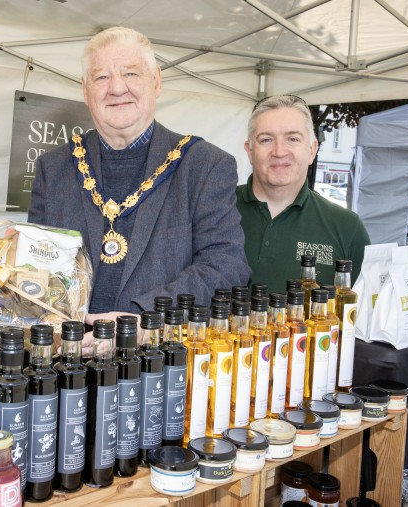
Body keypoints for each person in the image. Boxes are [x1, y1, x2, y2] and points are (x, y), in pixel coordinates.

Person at [27, 26, 250, 353]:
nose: (117, 88)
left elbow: (226, 266)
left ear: (157, 81)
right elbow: (34, 267)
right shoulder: (54, 168)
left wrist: (141, 320)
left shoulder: (203, 165)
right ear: (85, 89)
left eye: (131, 73)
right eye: (101, 77)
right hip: (65, 364)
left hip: (156, 367)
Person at [236, 94, 371, 292]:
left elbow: (364, 313)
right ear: (250, 151)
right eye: (266, 139)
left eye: (292, 139)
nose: (279, 151)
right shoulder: (213, 211)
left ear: (312, 150)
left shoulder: (347, 228)